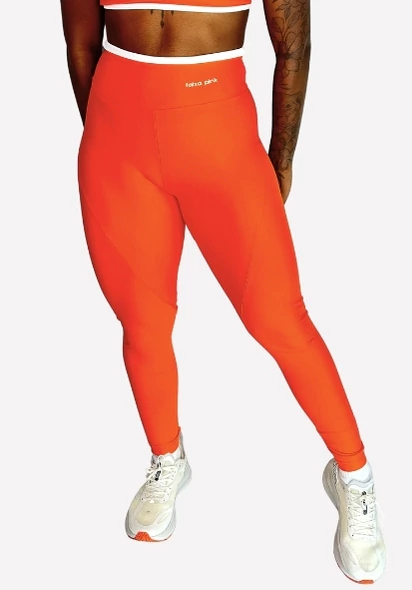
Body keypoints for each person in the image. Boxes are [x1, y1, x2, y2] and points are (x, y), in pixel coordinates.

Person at [60, 0, 386, 582]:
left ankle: (353, 475)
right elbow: (81, 43)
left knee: (279, 319)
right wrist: (108, 133)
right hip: (117, 142)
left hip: (219, 134)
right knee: (142, 321)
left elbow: (293, 45)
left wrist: (280, 161)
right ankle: (167, 458)